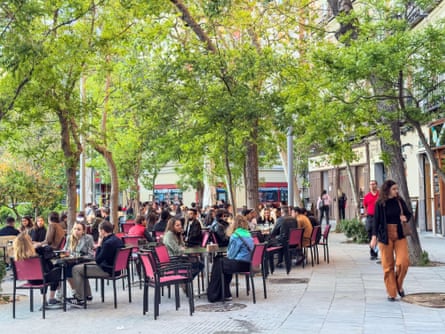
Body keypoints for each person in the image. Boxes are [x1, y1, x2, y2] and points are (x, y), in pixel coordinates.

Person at [370, 179, 412, 302]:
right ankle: (391, 293)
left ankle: (398, 285)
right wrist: (373, 237)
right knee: (388, 266)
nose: (396, 191)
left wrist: (405, 218)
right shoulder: (380, 203)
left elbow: (409, 213)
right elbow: (376, 221)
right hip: (385, 237)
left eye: (397, 189)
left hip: (399, 235)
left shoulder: (399, 201)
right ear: (387, 190)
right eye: (394, 189)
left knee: (403, 262)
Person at [67, 221, 123, 307]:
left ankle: (80, 298)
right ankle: (87, 295)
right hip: (116, 268)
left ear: (103, 231)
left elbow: (98, 260)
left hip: (107, 269)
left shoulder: (108, 243)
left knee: (76, 269)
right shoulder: (117, 239)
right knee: (81, 268)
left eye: (99, 231)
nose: (99, 233)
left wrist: (99, 245)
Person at [207, 215, 253, 302]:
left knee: (218, 261)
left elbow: (231, 255)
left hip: (239, 264)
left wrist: (226, 254)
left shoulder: (235, 235)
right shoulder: (248, 234)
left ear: (234, 224)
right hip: (247, 264)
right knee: (221, 262)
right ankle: (224, 293)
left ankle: (216, 293)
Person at [13, 232, 62, 308]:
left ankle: (44, 299)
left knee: (43, 273)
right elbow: (51, 254)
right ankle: (52, 297)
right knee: (57, 268)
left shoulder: (17, 256)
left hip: (30, 280)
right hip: (43, 279)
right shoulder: (38, 252)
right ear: (29, 242)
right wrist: (40, 245)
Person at [64, 222, 95, 291]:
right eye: (74, 229)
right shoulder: (69, 238)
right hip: (71, 261)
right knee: (65, 268)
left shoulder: (88, 238)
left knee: (72, 268)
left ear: (83, 231)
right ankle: (74, 290)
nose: (76, 231)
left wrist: (81, 257)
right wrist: (66, 254)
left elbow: (91, 255)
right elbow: (65, 250)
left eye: (78, 229)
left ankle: (78, 292)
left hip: (84, 260)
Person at [364, 180, 379, 260]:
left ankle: (375, 253)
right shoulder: (367, 196)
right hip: (370, 217)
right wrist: (365, 213)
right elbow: (365, 206)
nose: (372, 186)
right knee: (370, 232)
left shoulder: (380, 195)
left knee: (377, 235)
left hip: (379, 217)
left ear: (376, 185)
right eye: (370, 184)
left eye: (373, 184)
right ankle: (373, 252)